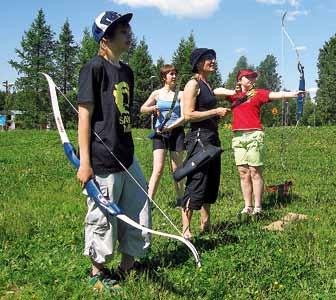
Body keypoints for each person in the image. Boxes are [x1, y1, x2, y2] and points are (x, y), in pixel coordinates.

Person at [77, 11, 151, 290]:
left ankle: (126, 268)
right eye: (122, 30)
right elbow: (85, 116)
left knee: (138, 211)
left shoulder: (127, 72)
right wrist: (85, 163)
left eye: (128, 29)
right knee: (103, 217)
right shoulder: (93, 68)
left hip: (127, 157)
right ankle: (97, 273)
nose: (129, 34)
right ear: (106, 38)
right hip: (102, 159)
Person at [214, 69, 303, 215]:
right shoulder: (234, 95)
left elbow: (276, 94)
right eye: (247, 77)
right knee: (243, 172)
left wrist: (294, 94)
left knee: (255, 171)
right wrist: (233, 92)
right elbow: (216, 91)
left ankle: (258, 207)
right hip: (238, 136)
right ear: (240, 79)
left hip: (255, 134)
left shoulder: (258, 93)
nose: (251, 79)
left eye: (253, 77)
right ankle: (247, 206)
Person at [178, 48, 229, 239]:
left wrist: (217, 114)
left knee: (211, 181)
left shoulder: (207, 84)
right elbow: (188, 114)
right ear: (199, 63)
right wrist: (215, 112)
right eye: (209, 59)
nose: (213, 61)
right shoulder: (193, 84)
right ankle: (185, 230)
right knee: (197, 180)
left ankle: (206, 225)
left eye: (214, 58)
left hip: (212, 137)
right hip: (199, 138)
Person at [140, 64, 185, 202]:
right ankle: (149, 201)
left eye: (175, 73)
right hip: (160, 133)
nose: (174, 76)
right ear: (164, 77)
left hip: (176, 133)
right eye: (171, 74)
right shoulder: (157, 93)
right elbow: (142, 109)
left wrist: (171, 126)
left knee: (177, 168)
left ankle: (180, 199)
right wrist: (154, 107)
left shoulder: (181, 94)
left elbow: (185, 117)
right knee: (158, 168)